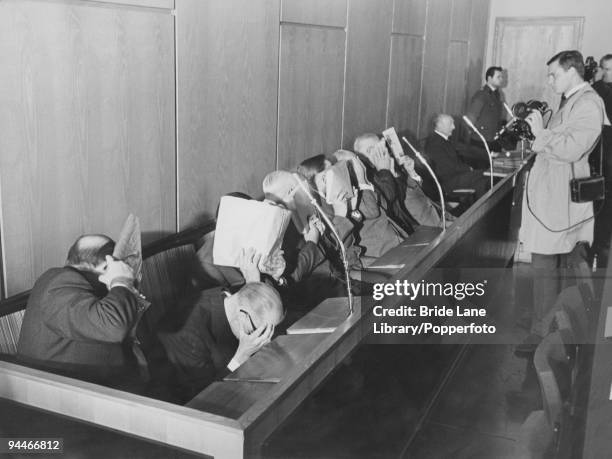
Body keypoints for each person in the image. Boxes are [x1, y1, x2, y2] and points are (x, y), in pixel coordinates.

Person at [516, 50, 606, 353]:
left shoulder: (589, 104)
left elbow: (571, 149)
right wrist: (535, 133)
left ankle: (543, 336)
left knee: (545, 265)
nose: (549, 80)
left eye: (554, 73)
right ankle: (548, 330)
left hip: (561, 203)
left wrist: (540, 132)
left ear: (572, 72)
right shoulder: (569, 102)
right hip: (552, 200)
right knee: (546, 265)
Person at [17, 234, 148, 386]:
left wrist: (126, 292)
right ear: (107, 266)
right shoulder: (61, 282)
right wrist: (121, 281)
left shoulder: (73, 284)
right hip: (69, 395)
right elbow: (112, 327)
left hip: (93, 386)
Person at [155, 282, 283, 402]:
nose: (266, 340)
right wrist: (241, 356)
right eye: (261, 332)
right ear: (242, 314)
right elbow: (204, 396)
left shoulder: (234, 299)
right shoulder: (187, 334)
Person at [354, 133, 447, 228]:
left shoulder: (393, 165)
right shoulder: (368, 180)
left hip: (437, 214)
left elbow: (423, 193)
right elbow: (395, 206)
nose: (377, 153)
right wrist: (386, 172)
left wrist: (411, 173)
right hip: (421, 226)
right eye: (370, 150)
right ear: (359, 157)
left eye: (379, 148)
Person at [424, 114, 490, 200]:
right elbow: (447, 167)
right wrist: (468, 169)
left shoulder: (442, 139)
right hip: (448, 182)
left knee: (486, 175)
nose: (454, 127)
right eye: (451, 124)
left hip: (455, 177)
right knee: (485, 178)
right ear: (440, 125)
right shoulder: (435, 143)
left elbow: (464, 151)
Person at [467, 66, 505, 154]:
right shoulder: (481, 95)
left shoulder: (498, 95)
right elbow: (471, 118)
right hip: (481, 141)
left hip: (494, 139)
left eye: (502, 77)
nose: (501, 79)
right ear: (489, 78)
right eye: (498, 77)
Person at [592, 54, 612, 121]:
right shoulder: (599, 85)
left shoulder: (601, 86)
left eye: (607, 69)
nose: (602, 72)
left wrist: (598, 82)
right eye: (601, 68)